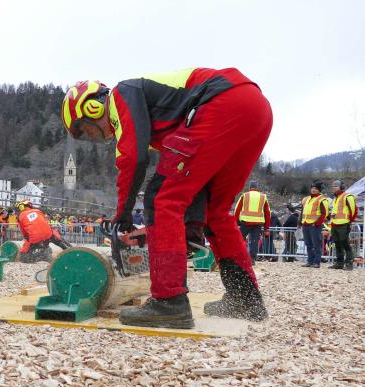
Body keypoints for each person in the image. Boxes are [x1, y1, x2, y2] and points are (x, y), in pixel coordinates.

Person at [62, 68, 273, 328]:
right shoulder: (162, 117)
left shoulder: (122, 94)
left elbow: (132, 159)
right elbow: (190, 180)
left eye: (86, 130)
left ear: (92, 107)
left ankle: (169, 302)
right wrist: (190, 227)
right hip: (255, 109)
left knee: (162, 197)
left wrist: (123, 214)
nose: (94, 136)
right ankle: (245, 299)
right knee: (215, 212)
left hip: (223, 102)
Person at [234, 180, 271, 263]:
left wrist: (235, 223)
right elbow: (268, 213)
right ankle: (252, 259)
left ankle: (238, 257)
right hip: (258, 224)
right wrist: (266, 228)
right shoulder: (263, 197)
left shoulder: (244, 196)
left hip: (245, 222)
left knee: (239, 240)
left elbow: (237, 210)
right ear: (257, 188)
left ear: (249, 187)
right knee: (254, 242)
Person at [328, 179, 358, 270]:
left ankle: (349, 263)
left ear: (341, 187)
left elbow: (353, 210)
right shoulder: (335, 198)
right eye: (333, 186)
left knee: (345, 244)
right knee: (337, 244)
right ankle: (339, 263)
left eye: (336, 186)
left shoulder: (348, 196)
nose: (333, 188)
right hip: (335, 224)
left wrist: (349, 221)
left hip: (344, 224)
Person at [300, 181, 330, 268]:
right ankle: (310, 261)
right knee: (308, 244)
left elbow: (324, 213)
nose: (313, 190)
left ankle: (317, 262)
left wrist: (317, 223)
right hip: (305, 224)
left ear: (319, 190)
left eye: (315, 189)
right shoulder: (306, 199)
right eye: (312, 188)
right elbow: (302, 212)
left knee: (316, 244)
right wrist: (300, 223)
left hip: (314, 225)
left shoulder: (322, 199)